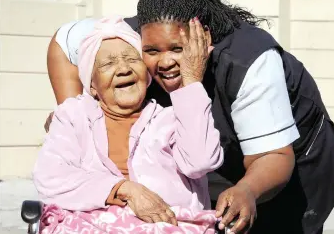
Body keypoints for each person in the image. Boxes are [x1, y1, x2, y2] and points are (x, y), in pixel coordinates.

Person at [44, 0, 334, 234]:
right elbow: (63, 41)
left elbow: (274, 156)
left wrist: (248, 191)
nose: (164, 62)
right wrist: (77, 113)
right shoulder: (126, 36)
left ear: (205, 37)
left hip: (286, 168)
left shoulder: (249, 62)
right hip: (201, 168)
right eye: (151, 51)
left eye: (178, 49)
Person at [33, 16, 223, 233]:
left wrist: (191, 82)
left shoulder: (170, 119)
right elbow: (50, 177)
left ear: (146, 75)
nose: (123, 69)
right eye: (108, 63)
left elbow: (200, 162)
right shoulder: (73, 117)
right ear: (92, 84)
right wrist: (125, 190)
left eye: (132, 60)